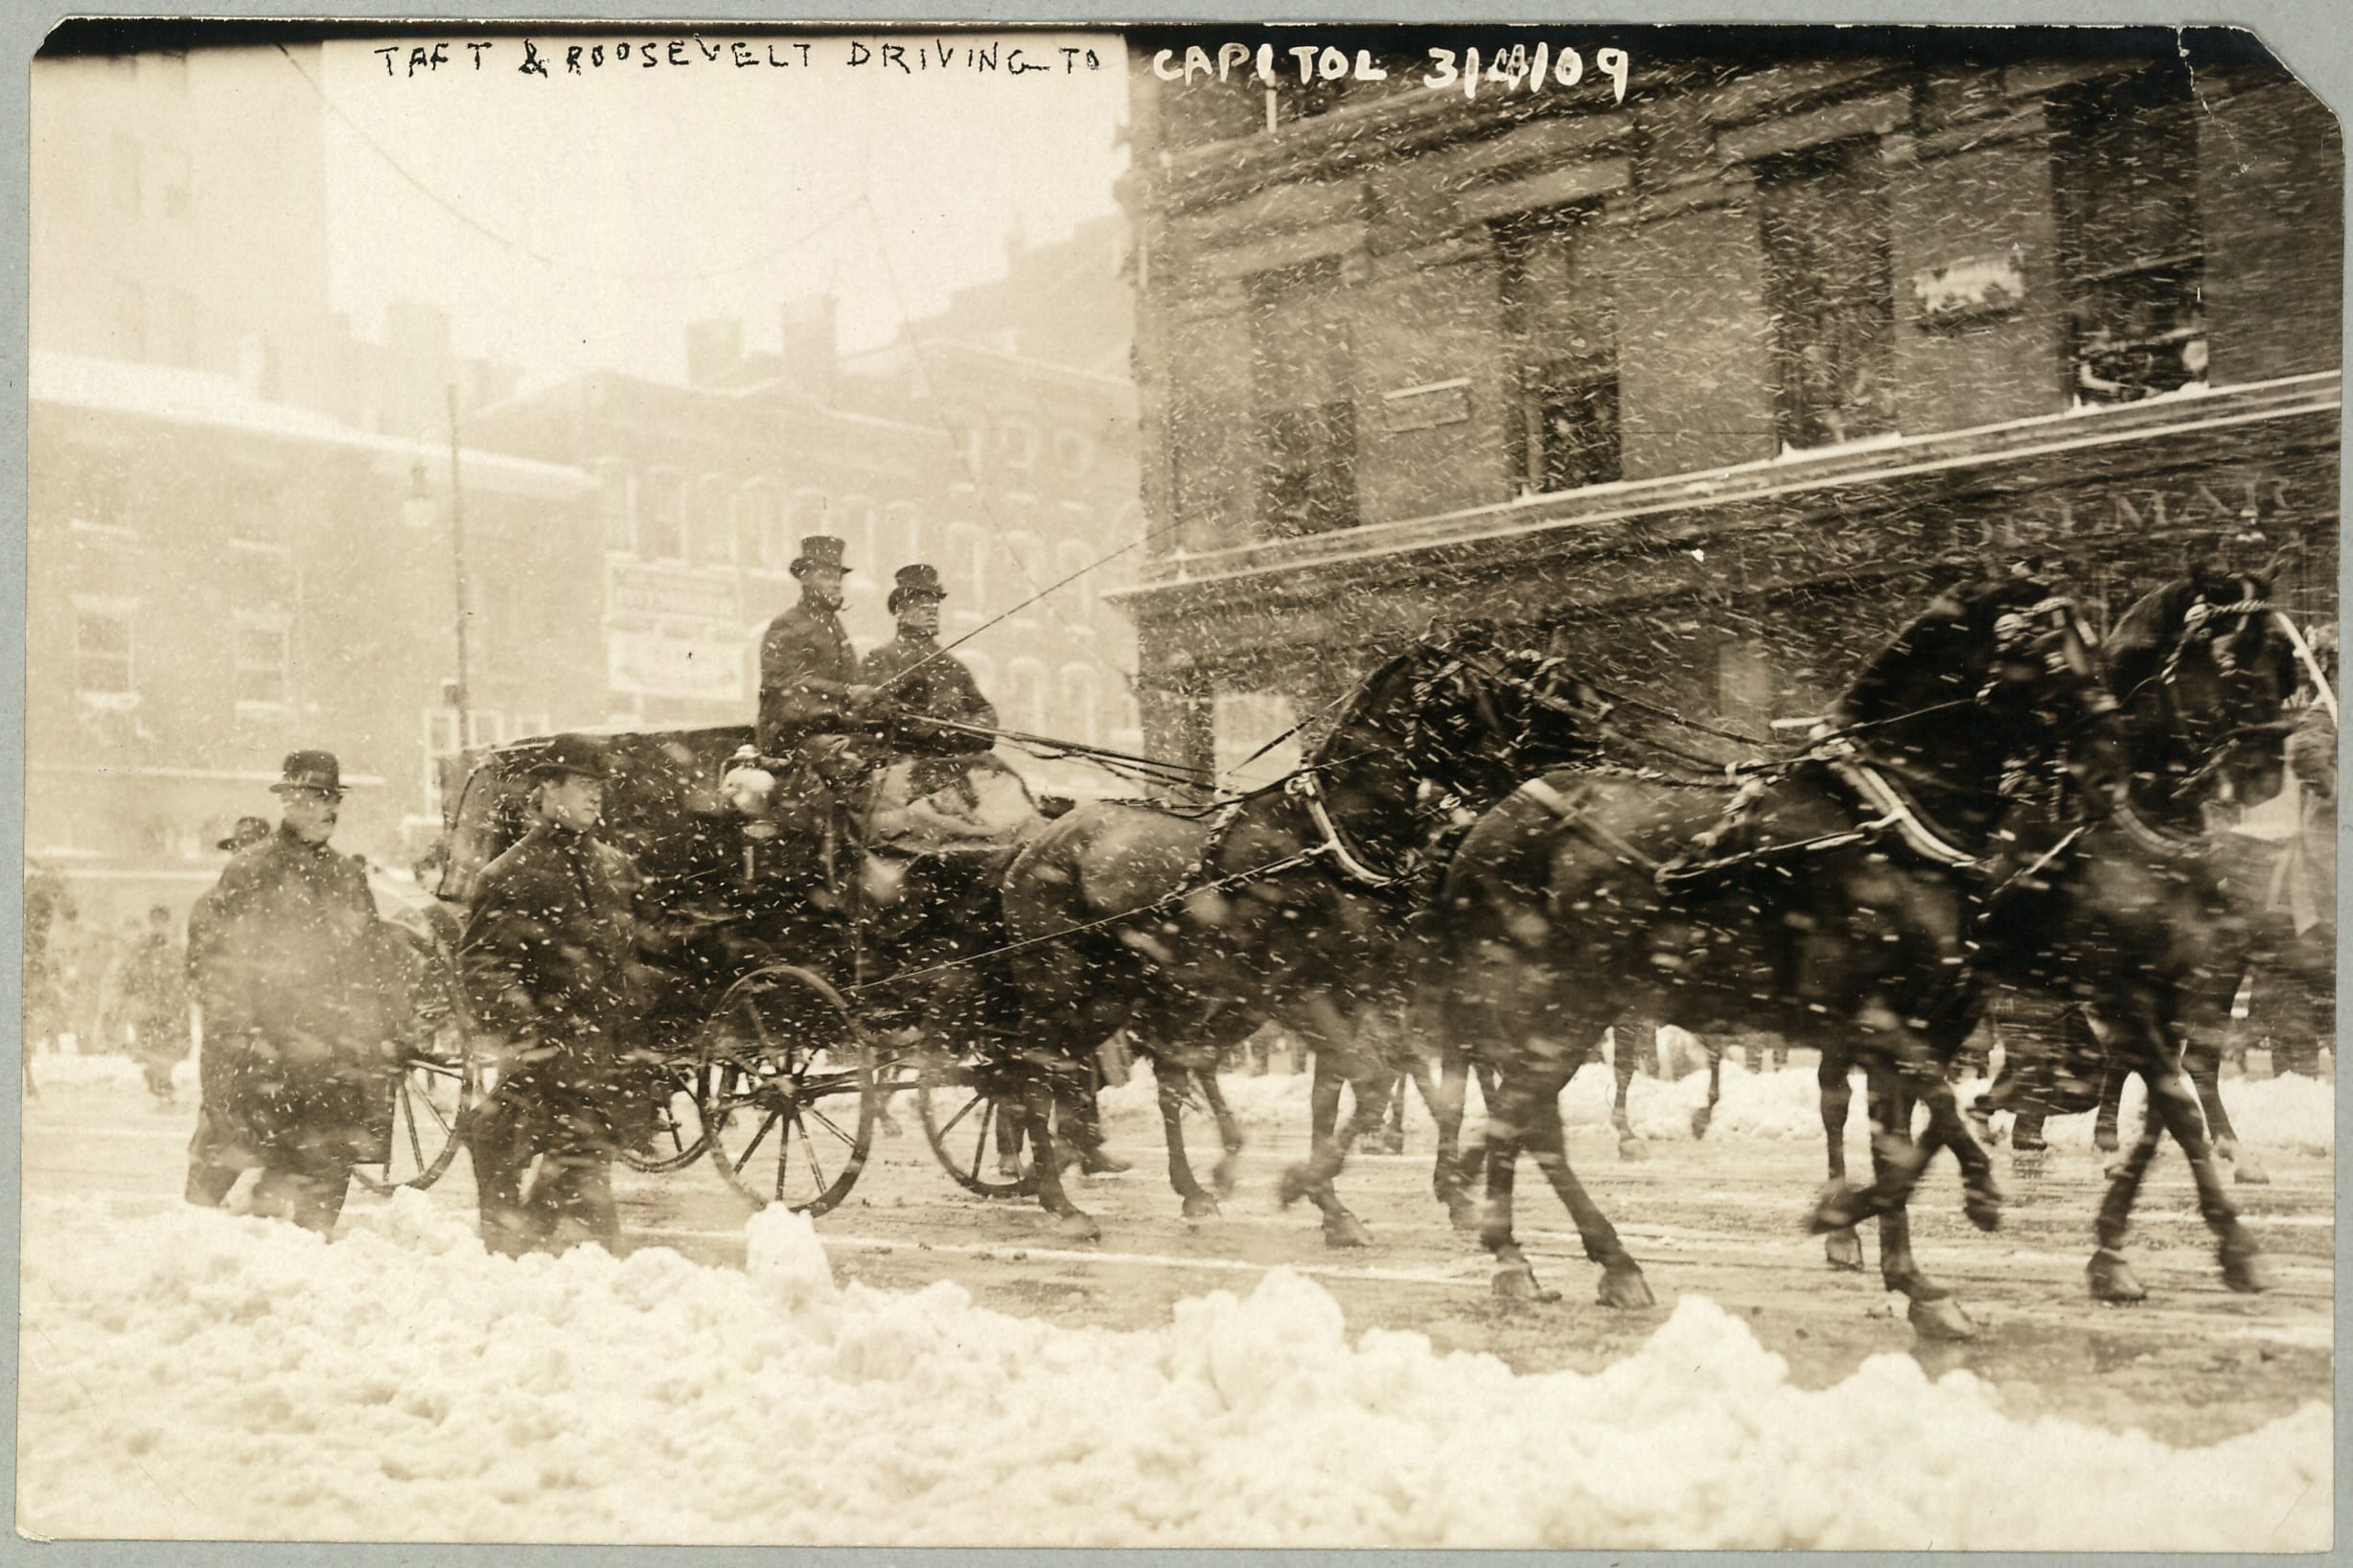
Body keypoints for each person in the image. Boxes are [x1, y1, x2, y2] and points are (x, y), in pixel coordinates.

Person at [184, 751, 408, 1233]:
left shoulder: (347, 876)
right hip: (267, 1052)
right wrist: (239, 1037)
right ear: (288, 800)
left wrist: (387, 1027)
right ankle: (196, 1253)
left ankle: (312, 1253)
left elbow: (373, 962)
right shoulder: (252, 870)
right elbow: (218, 963)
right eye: (317, 796)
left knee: (326, 1171)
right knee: (225, 1159)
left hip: (333, 1057)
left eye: (334, 797)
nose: (330, 808)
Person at [458, 734, 650, 1256]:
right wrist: (529, 1029)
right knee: (499, 1142)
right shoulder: (509, 874)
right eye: (584, 785)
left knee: (582, 1183)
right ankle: (507, 1253)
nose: (596, 797)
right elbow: (482, 963)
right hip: (543, 1054)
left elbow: (633, 956)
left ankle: (536, 1249)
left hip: (598, 1057)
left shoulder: (614, 867)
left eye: (600, 788)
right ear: (547, 790)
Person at [756, 535, 888, 894]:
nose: (835, 581)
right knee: (854, 766)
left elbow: (849, 684)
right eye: (826, 574)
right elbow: (783, 684)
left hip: (829, 731)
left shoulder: (834, 627)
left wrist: (867, 699)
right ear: (804, 577)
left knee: (888, 761)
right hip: (791, 737)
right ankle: (848, 879)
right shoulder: (787, 624)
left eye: (838, 575)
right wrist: (845, 695)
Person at [861, 563, 999, 753]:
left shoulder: (951, 665)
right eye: (920, 605)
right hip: (905, 757)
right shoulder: (881, 657)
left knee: (1009, 782)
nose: (932, 610)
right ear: (901, 612)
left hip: (957, 756)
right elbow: (872, 709)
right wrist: (927, 731)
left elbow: (983, 709)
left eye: (934, 605)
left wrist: (973, 730)